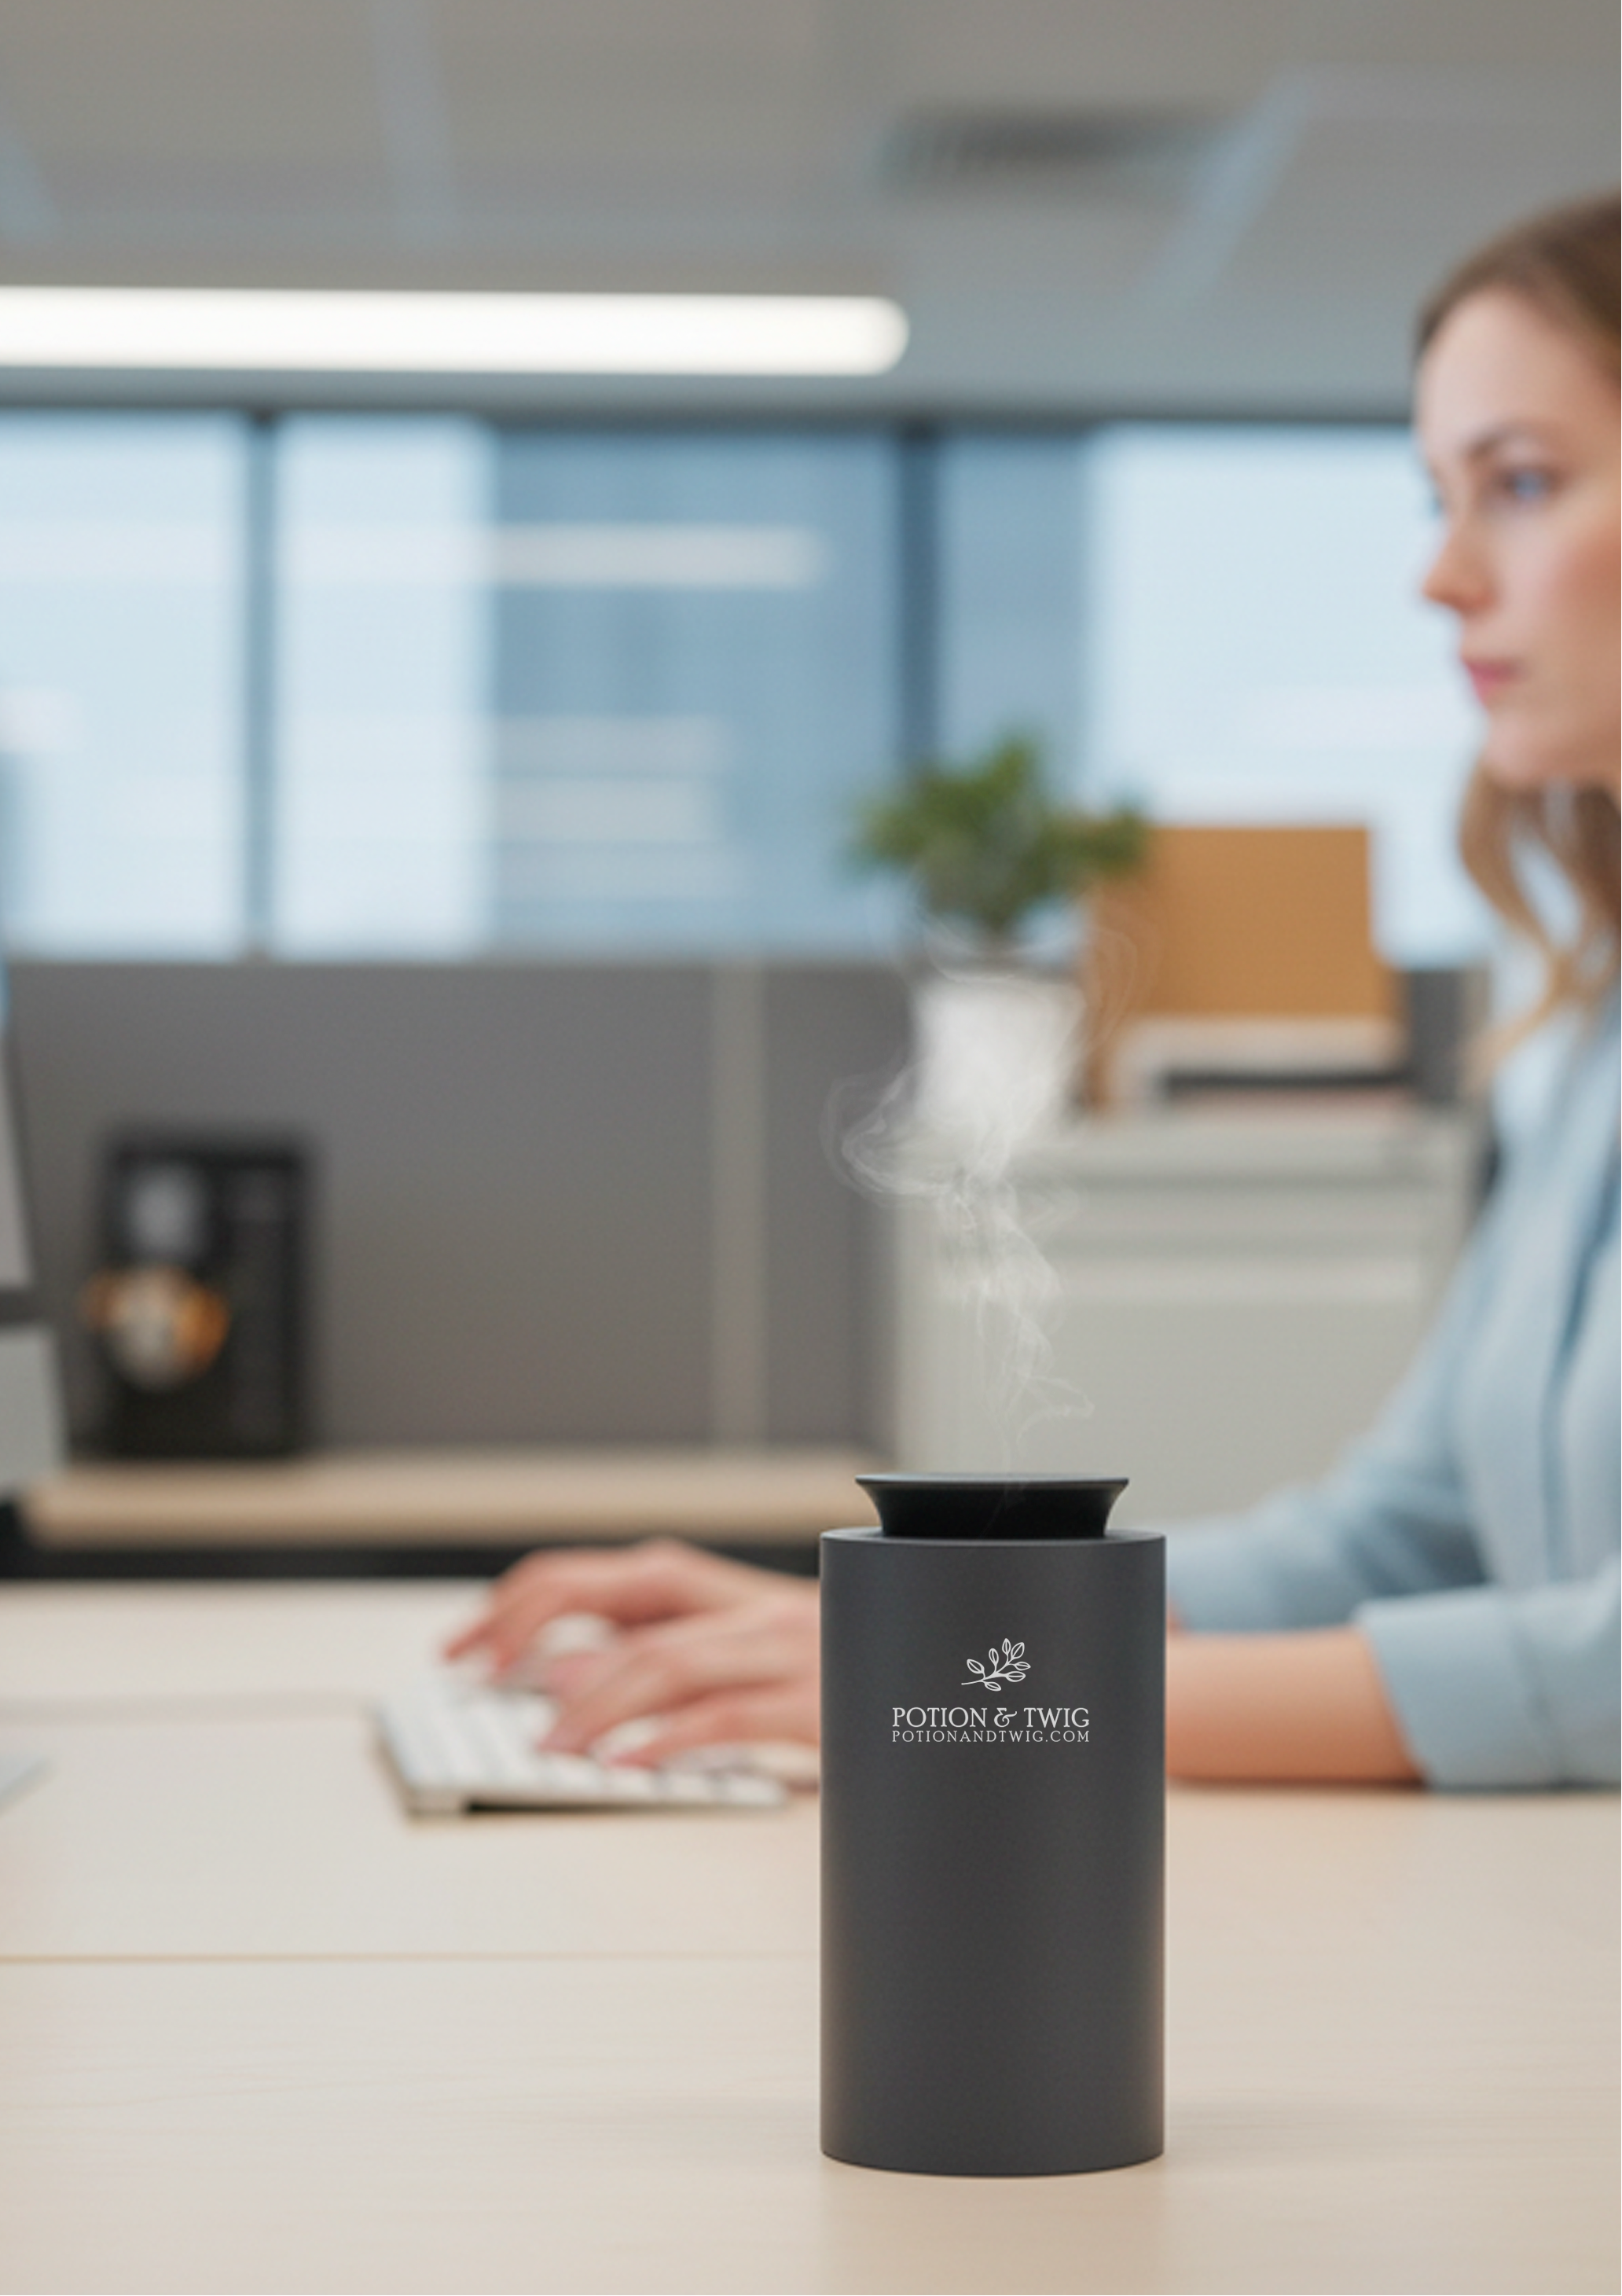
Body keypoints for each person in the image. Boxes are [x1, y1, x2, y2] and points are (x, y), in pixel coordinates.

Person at [447, 194, 1622, 1791]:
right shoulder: (1588, 1038)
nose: (1437, 577)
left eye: (1522, 484)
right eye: (1435, 497)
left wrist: (980, 1695)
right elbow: (1400, 1533)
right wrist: (934, 1624)